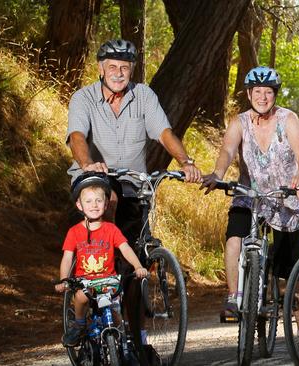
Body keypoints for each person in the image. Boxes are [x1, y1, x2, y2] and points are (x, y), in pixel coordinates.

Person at [200, 66, 299, 359]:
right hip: (251, 194)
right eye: (257, 92)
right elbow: (227, 150)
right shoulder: (239, 122)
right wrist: (217, 172)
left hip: (288, 198)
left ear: (274, 95)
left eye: (268, 92)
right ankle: (235, 296)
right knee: (234, 238)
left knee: (291, 273)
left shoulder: (288, 119)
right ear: (249, 94)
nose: (262, 97)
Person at [66, 39, 202, 245]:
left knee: (136, 244)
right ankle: (104, 267)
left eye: (124, 68)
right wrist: (87, 165)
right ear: (100, 69)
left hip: (132, 182)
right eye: (112, 67)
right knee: (108, 199)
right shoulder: (83, 98)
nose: (118, 73)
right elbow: (77, 137)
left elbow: (164, 134)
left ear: (132, 71)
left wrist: (186, 162)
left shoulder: (143, 96)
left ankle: (131, 271)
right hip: (94, 177)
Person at [55, 172, 148, 347]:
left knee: (116, 318)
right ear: (79, 205)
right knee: (81, 296)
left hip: (109, 281)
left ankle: (125, 351)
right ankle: (79, 325)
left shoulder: (111, 229)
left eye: (99, 200)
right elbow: (67, 258)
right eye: (88, 201)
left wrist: (137, 266)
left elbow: (125, 249)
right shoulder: (74, 232)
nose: (94, 205)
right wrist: (64, 280)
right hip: (84, 282)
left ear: (106, 204)